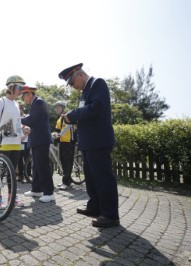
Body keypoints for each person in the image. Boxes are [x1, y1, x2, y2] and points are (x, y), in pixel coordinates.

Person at [59, 63, 119, 227]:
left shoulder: (97, 83)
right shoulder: (86, 91)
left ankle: (110, 215)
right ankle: (95, 207)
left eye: (72, 83)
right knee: (91, 178)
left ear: (79, 75)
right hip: (89, 142)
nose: (73, 87)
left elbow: (97, 107)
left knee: (103, 177)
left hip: (98, 140)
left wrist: (73, 114)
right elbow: (86, 113)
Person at [0, 75, 26, 207]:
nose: (21, 90)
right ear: (11, 87)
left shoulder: (16, 103)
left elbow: (17, 122)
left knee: (12, 172)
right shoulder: (1, 101)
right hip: (2, 141)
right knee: (0, 172)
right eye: (19, 87)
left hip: (16, 142)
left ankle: (11, 197)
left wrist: (24, 128)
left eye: (22, 88)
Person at [20, 86, 54, 203]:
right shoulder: (35, 104)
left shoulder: (39, 102)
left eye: (23, 96)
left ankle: (49, 192)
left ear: (29, 93)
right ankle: (37, 189)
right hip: (37, 139)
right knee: (36, 165)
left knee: (43, 166)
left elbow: (32, 119)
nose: (23, 99)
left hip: (41, 139)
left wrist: (18, 119)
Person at [53, 101, 76, 190]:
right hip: (63, 142)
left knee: (67, 162)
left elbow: (68, 127)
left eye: (58, 107)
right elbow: (56, 130)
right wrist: (53, 134)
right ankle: (66, 180)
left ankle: (66, 182)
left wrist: (59, 135)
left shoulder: (67, 116)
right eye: (56, 107)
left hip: (69, 142)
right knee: (63, 161)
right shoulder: (59, 119)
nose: (56, 109)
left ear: (63, 108)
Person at [17, 105, 30, 184]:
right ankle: (20, 176)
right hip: (18, 142)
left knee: (27, 159)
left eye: (19, 109)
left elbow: (28, 130)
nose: (18, 110)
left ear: (22, 109)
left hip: (26, 141)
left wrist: (24, 135)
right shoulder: (16, 118)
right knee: (19, 160)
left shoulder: (26, 117)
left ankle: (28, 175)